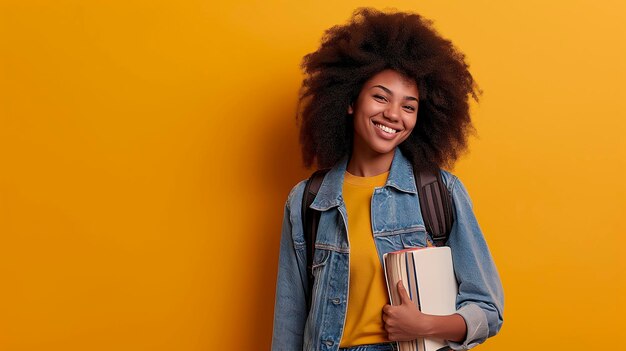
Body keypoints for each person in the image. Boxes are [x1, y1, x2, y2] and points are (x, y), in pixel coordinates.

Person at [272, 8, 504, 351]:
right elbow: (289, 323)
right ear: (351, 101)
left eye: (408, 106)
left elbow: (488, 310)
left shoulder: (440, 192)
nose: (393, 114)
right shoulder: (308, 200)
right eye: (380, 97)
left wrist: (424, 325)